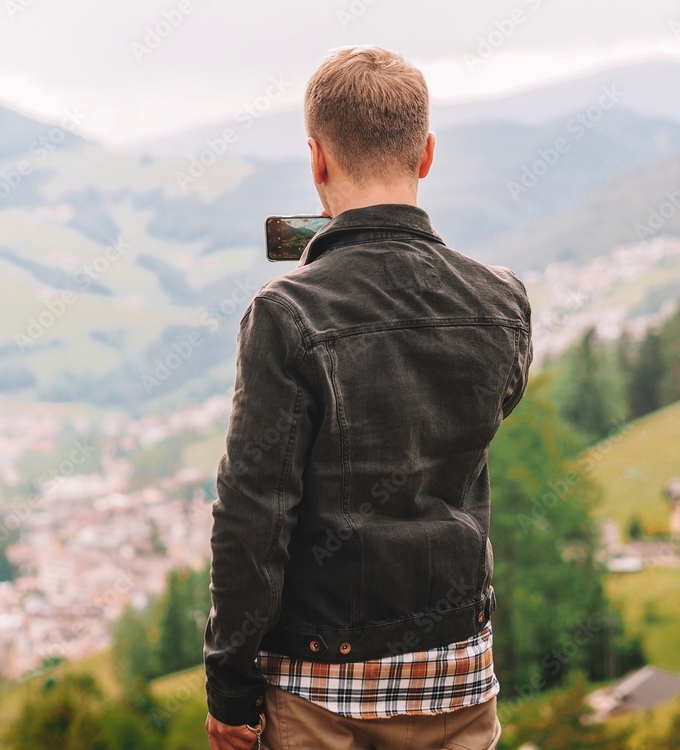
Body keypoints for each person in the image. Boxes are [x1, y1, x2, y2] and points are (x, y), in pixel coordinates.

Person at [204, 46, 532, 750]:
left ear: (317, 160)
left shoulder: (286, 314)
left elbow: (253, 517)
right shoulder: (502, 301)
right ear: (427, 154)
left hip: (323, 685)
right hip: (457, 673)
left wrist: (229, 686)